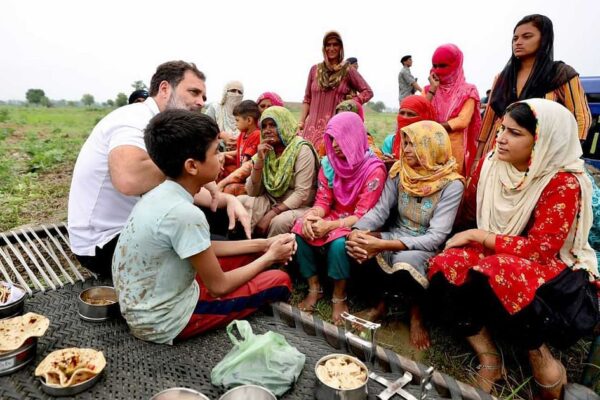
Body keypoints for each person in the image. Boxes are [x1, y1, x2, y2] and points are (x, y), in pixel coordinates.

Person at [427, 99, 599, 396]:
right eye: (502, 129)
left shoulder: (562, 182)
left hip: (548, 263)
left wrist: (481, 237)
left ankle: (541, 359)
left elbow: (541, 249)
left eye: (515, 133)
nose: (501, 138)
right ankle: (489, 358)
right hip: (495, 251)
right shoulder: (491, 165)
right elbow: (467, 212)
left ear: (542, 140)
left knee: (500, 270)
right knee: (447, 263)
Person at [113, 109, 295, 345]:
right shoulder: (185, 214)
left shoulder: (159, 194)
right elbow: (219, 286)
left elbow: (202, 246)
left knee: (253, 255)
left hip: (147, 300)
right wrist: (271, 257)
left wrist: (264, 244)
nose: (221, 158)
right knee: (280, 279)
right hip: (164, 320)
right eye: (216, 151)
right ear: (191, 166)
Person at [67, 61, 250, 277]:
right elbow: (129, 179)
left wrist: (227, 199)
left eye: (203, 96)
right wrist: (194, 168)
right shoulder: (134, 119)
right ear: (164, 89)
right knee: (228, 254)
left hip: (142, 221)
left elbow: (170, 181)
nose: (201, 102)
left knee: (224, 219)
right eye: (194, 92)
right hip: (106, 242)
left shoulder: (167, 128)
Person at [346, 121, 464, 350]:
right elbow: (380, 211)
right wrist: (358, 231)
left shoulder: (452, 184)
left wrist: (383, 244)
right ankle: (379, 306)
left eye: (413, 144)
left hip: (425, 243)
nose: (406, 149)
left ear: (431, 147)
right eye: (406, 143)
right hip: (396, 233)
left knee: (405, 261)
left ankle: (416, 316)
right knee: (357, 244)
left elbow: (436, 236)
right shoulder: (400, 172)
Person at [292, 112, 386, 324]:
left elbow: (363, 213)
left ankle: (339, 296)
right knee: (300, 229)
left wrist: (330, 226)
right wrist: (312, 216)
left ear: (354, 137)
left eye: (340, 138)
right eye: (331, 138)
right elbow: (323, 200)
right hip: (333, 216)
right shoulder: (329, 164)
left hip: (358, 222)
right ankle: (314, 287)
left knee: (338, 243)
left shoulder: (373, 169)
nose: (334, 145)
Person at [474, 14, 591, 173]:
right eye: (515, 39)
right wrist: (478, 159)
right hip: (497, 155)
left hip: (542, 160)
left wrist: (567, 155)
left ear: (544, 39)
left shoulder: (561, 75)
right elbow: (488, 120)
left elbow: (581, 117)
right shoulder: (502, 78)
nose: (518, 42)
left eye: (527, 36)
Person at [240, 106, 319, 237]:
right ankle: (245, 246)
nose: (267, 130)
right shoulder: (267, 150)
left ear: (284, 124)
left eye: (273, 125)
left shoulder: (301, 149)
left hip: (298, 205)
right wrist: (259, 160)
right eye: (264, 126)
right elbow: (253, 192)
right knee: (240, 203)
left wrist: (272, 213)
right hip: (271, 200)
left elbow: (301, 194)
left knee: (279, 222)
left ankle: (271, 250)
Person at [298, 31, 373, 155]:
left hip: (334, 132)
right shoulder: (315, 70)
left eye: (335, 44)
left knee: (329, 163)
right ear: (324, 48)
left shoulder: (347, 70)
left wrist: (351, 102)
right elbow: (307, 99)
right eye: (328, 45)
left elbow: (368, 92)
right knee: (307, 159)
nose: (331, 48)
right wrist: (301, 123)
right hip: (310, 132)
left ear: (341, 47)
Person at [424, 44, 481, 176]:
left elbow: (462, 121)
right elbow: (420, 114)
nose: (437, 70)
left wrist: (433, 127)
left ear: (457, 65)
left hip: (454, 150)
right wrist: (433, 89)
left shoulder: (468, 90)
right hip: (428, 147)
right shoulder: (428, 90)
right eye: (435, 66)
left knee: (452, 183)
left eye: (443, 66)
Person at [381, 95, 436, 168]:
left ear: (424, 117)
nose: (404, 118)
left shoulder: (434, 143)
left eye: (410, 114)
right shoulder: (390, 141)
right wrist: (385, 162)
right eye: (402, 113)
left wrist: (400, 165)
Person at [217, 100, 261, 188]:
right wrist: (223, 154)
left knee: (229, 187)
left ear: (249, 120)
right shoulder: (243, 134)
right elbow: (239, 151)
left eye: (237, 120)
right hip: (239, 170)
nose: (235, 123)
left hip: (247, 177)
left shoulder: (257, 135)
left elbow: (246, 158)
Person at [203, 81, 245, 148]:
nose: (237, 94)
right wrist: (220, 135)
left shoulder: (244, 114)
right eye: (233, 90)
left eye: (240, 92)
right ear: (226, 92)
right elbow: (204, 129)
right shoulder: (215, 108)